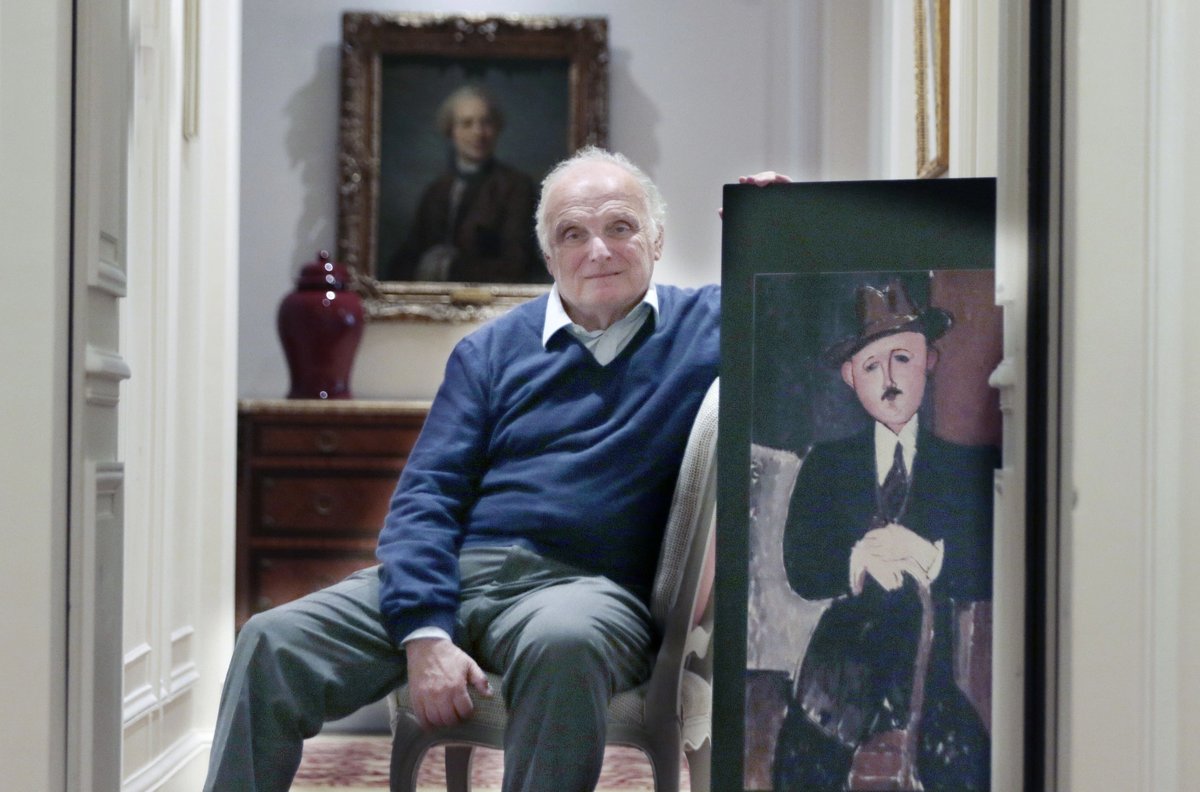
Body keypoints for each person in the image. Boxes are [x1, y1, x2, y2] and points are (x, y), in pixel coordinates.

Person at [204, 147, 720, 792]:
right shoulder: (489, 352)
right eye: (572, 234)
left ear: (657, 238)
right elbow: (426, 499)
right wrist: (424, 632)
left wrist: (770, 225)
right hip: (462, 571)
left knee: (565, 644)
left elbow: (808, 308)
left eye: (621, 227)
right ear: (549, 255)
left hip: (582, 589)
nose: (599, 250)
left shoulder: (711, 325)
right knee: (271, 639)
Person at [772, 279, 996, 791]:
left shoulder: (962, 468)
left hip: (926, 672)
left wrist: (933, 558)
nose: (888, 378)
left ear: (929, 361)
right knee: (800, 765)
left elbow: (991, 569)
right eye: (871, 366)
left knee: (966, 764)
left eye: (902, 359)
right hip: (839, 672)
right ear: (851, 378)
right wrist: (855, 560)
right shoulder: (826, 465)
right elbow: (801, 566)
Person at [387, 84, 546, 284]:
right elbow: (407, 258)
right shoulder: (436, 191)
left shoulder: (515, 187)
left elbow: (517, 265)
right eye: (467, 124)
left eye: (486, 123)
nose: (478, 133)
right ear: (451, 131)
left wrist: (450, 268)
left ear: (497, 129)